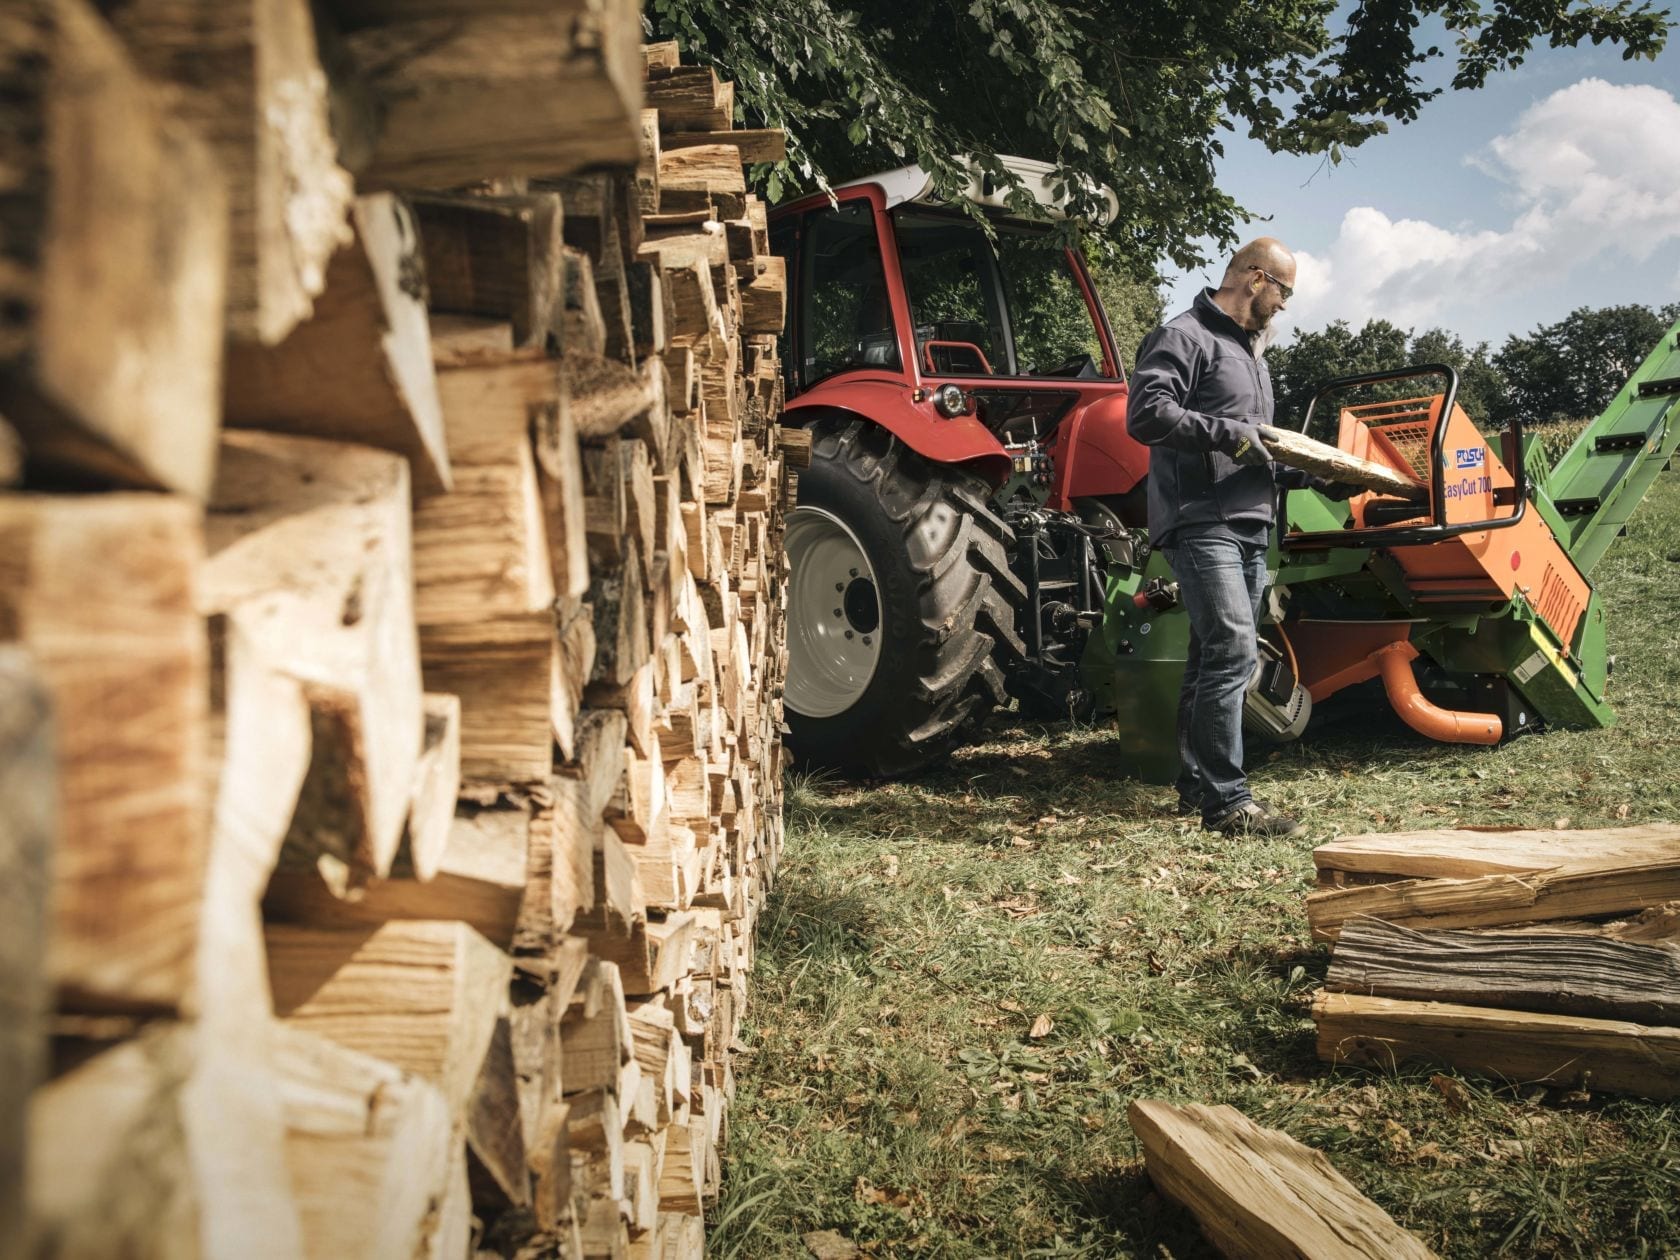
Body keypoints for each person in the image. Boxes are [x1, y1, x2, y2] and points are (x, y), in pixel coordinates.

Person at [1125, 238, 1355, 836]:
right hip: (1201, 521)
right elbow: (1146, 414)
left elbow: (1258, 453)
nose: (1284, 306)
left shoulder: (1254, 355)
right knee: (1233, 651)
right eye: (1284, 292)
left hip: (1251, 522)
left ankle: (1196, 784)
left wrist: (1313, 475)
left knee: (1211, 656)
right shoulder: (1183, 336)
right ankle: (1229, 802)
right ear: (1256, 278)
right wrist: (1226, 433)